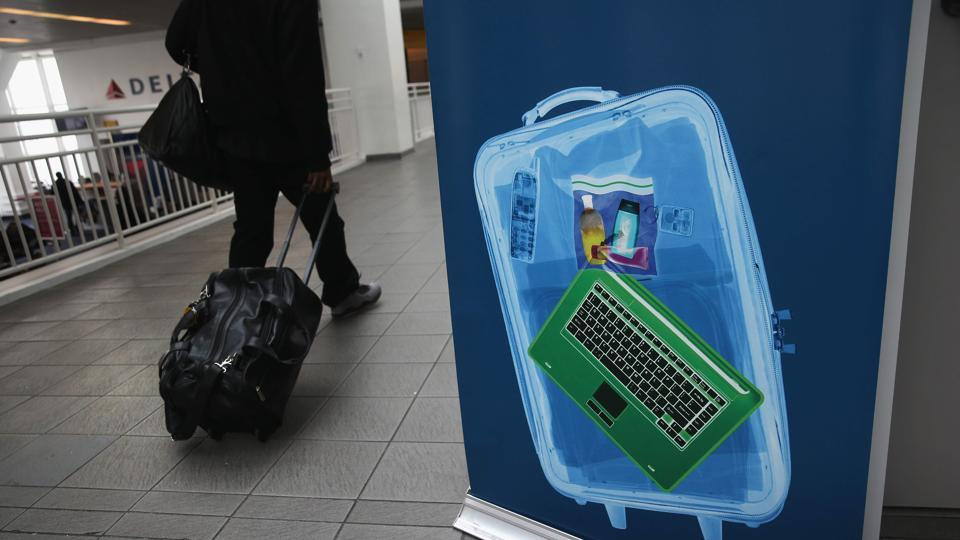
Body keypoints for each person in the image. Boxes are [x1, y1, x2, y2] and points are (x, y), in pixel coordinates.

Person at [165, 0, 380, 316]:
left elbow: (175, 42)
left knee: (251, 230)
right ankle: (342, 292)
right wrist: (317, 156)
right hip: (285, 134)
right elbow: (302, 71)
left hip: (234, 133)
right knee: (322, 218)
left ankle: (237, 309)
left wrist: (220, 70)